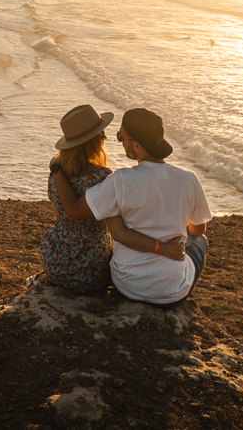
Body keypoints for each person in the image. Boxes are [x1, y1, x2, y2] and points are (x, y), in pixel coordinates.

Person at [52, 107, 212, 307]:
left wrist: (56, 169)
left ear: (136, 146)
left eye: (121, 137)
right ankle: (174, 281)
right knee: (200, 241)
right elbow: (198, 229)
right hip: (172, 292)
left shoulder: (119, 181)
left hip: (127, 286)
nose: (118, 141)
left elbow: (74, 211)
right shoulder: (189, 180)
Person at [33, 105, 186, 294]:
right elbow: (117, 231)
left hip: (55, 256)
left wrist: (56, 171)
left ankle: (46, 277)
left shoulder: (57, 175)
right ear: (92, 142)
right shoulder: (103, 178)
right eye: (101, 134)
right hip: (92, 267)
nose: (105, 138)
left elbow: (59, 216)